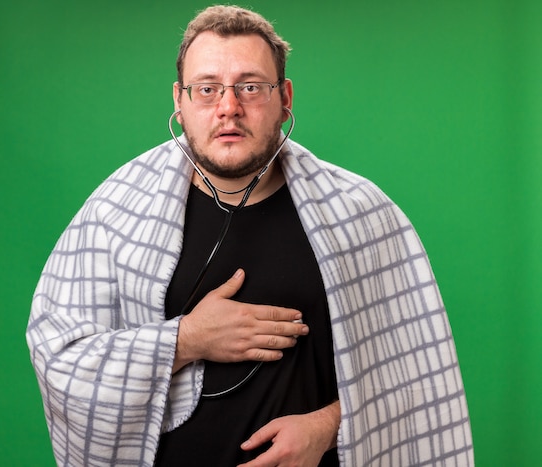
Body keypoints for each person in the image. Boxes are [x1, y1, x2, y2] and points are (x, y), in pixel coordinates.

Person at [27, 5, 474, 466]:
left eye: (251, 87)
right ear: (179, 103)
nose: (229, 107)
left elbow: (418, 374)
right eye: (207, 89)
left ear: (286, 99)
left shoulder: (361, 215)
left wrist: (326, 428)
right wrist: (186, 339)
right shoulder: (115, 212)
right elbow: (60, 360)